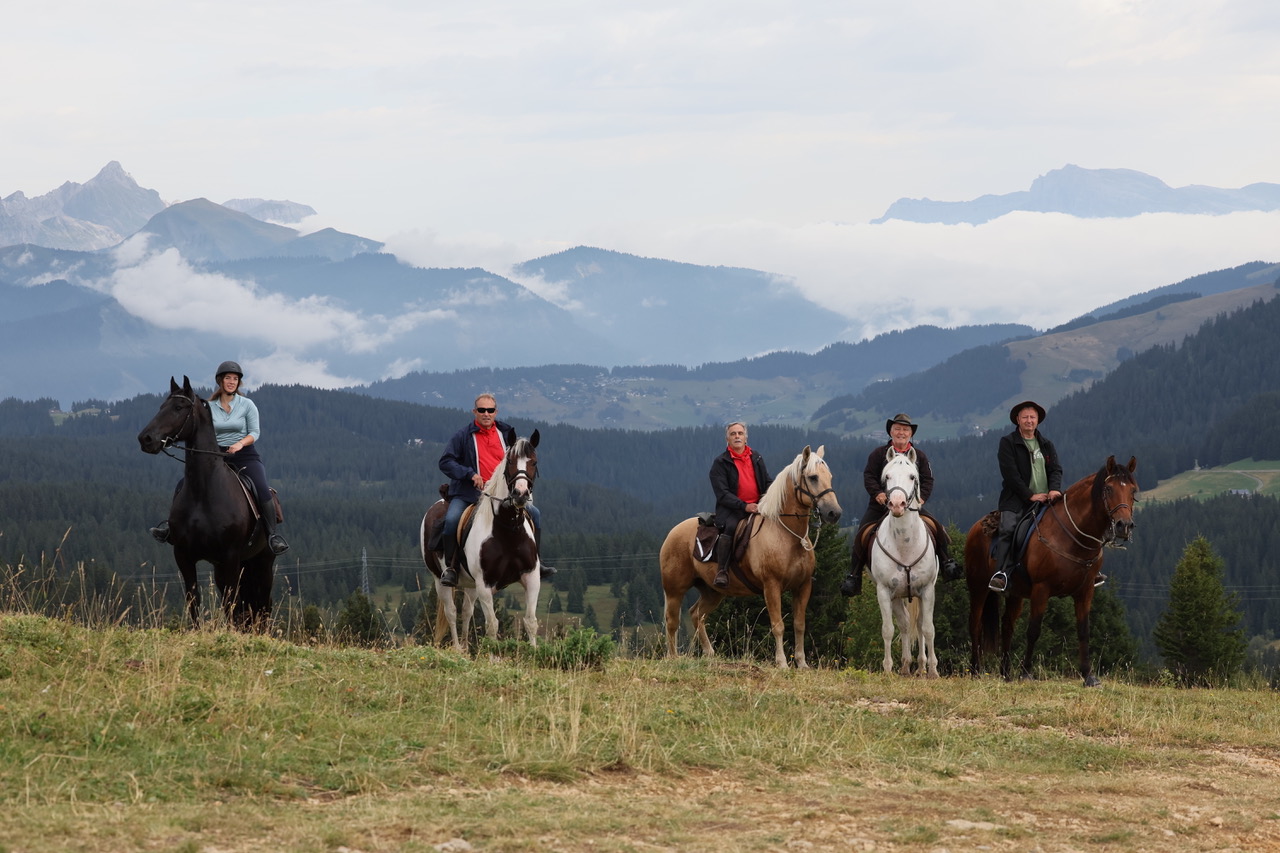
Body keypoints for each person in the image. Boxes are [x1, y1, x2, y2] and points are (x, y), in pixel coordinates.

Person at [150, 361, 289, 555]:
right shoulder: (209, 407)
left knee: (261, 488)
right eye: (228, 378)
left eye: (235, 379)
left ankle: (272, 536)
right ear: (220, 381)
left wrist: (240, 444)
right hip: (215, 456)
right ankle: (171, 529)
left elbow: (255, 432)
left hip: (245, 455)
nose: (232, 382)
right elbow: (199, 431)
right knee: (183, 484)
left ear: (238, 382)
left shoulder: (247, 405)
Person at [437, 393, 555, 587]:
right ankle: (451, 568)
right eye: (481, 410)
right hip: (469, 494)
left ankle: (537, 563)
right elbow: (445, 462)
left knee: (535, 514)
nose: (486, 414)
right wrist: (470, 474)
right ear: (474, 412)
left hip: (502, 495)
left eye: (490, 410)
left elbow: (521, 458)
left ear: (496, 412)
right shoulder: (463, 436)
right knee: (451, 521)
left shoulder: (506, 433)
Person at [840, 413, 959, 596]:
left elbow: (927, 479)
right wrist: (878, 493)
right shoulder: (879, 454)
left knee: (936, 527)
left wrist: (921, 499)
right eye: (897, 429)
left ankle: (946, 563)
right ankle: (854, 577)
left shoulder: (919, 456)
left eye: (905, 429)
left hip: (911, 506)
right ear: (891, 432)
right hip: (879, 506)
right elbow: (869, 476)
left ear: (911, 433)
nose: (901, 432)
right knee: (861, 534)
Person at [989, 400, 1063, 592]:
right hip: (1016, 499)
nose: (1029, 421)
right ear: (1017, 420)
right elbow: (1010, 474)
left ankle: (1083, 570)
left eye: (1032, 417)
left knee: (1070, 522)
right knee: (1008, 528)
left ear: (1038, 420)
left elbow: (1055, 469)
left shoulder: (1046, 444)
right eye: (1025, 417)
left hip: (1047, 498)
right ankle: (1002, 574)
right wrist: (1029, 495)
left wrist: (1054, 489)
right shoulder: (1008, 443)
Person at [708, 422, 773, 588]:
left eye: (740, 433)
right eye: (733, 434)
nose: (737, 436)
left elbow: (766, 482)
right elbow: (722, 494)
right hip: (732, 510)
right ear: (727, 439)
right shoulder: (720, 463)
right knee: (730, 528)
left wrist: (772, 497)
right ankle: (722, 570)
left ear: (746, 437)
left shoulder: (756, 457)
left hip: (759, 506)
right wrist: (744, 506)